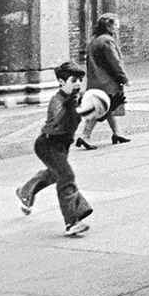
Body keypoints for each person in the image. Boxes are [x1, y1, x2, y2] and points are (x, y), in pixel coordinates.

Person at [17, 61, 97, 236]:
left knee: (55, 174)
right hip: (47, 145)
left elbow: (85, 114)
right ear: (61, 82)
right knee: (66, 176)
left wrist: (106, 107)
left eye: (80, 80)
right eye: (73, 80)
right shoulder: (57, 101)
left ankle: (25, 190)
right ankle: (72, 222)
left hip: (63, 145)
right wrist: (71, 106)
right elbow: (58, 117)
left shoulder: (76, 99)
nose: (78, 84)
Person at [77, 13, 129, 149]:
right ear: (108, 26)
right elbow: (115, 62)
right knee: (101, 107)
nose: (117, 28)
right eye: (115, 24)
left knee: (107, 107)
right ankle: (85, 136)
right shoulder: (107, 41)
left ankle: (117, 133)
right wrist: (124, 78)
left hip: (95, 81)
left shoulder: (94, 40)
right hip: (107, 83)